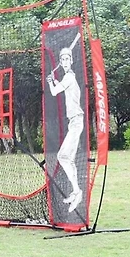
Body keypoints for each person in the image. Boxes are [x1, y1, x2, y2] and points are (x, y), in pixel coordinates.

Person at [46, 45, 84, 214]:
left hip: (76, 122)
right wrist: (53, 80)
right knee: (69, 159)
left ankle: (77, 191)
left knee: (62, 156)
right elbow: (60, 86)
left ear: (71, 60)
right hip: (73, 123)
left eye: (68, 58)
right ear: (60, 62)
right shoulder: (68, 78)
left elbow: (55, 92)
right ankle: (76, 192)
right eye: (63, 59)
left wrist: (50, 82)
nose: (65, 61)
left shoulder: (69, 77)